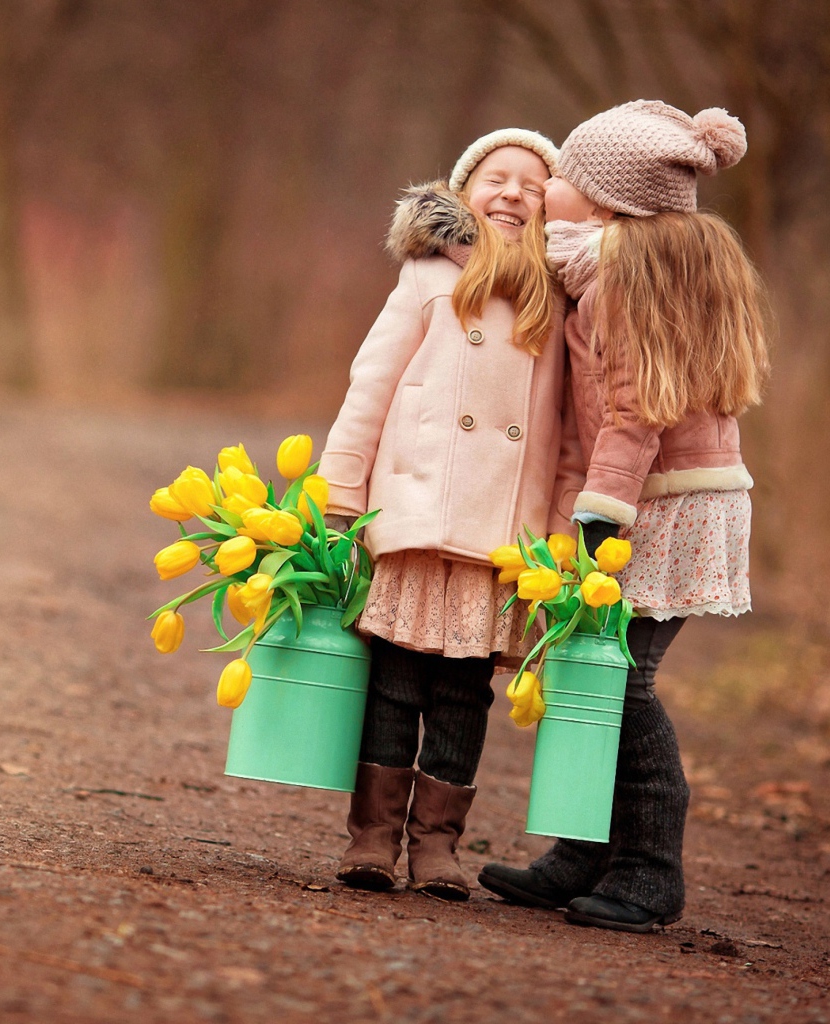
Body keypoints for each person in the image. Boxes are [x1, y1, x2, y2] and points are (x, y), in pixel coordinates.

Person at [478, 100, 771, 932]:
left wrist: (599, 515)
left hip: (659, 505)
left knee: (625, 682)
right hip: (661, 495)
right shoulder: (611, 266)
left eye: (565, 176)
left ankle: (649, 869)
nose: (550, 185)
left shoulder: (619, 278)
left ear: (606, 204)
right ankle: (585, 852)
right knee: (593, 674)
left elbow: (635, 409)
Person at [320, 129, 581, 900]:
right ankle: (372, 836)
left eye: (532, 186)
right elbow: (372, 382)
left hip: (497, 536)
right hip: (414, 515)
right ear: (465, 192)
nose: (511, 194)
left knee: (465, 694)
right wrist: (342, 488)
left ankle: (437, 845)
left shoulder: (551, 294)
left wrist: (559, 531)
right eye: (496, 178)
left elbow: (562, 433)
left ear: (547, 208)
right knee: (396, 683)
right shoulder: (427, 275)